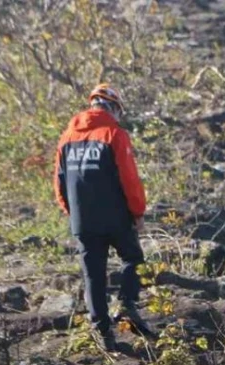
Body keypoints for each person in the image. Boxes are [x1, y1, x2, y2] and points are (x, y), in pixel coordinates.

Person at [53, 83, 155, 350]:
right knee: (134, 260)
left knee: (93, 275)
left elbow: (59, 182)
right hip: (116, 217)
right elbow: (129, 179)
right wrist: (138, 212)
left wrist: (71, 211)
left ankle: (102, 334)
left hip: (82, 220)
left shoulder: (66, 138)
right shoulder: (114, 134)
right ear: (114, 108)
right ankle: (127, 305)